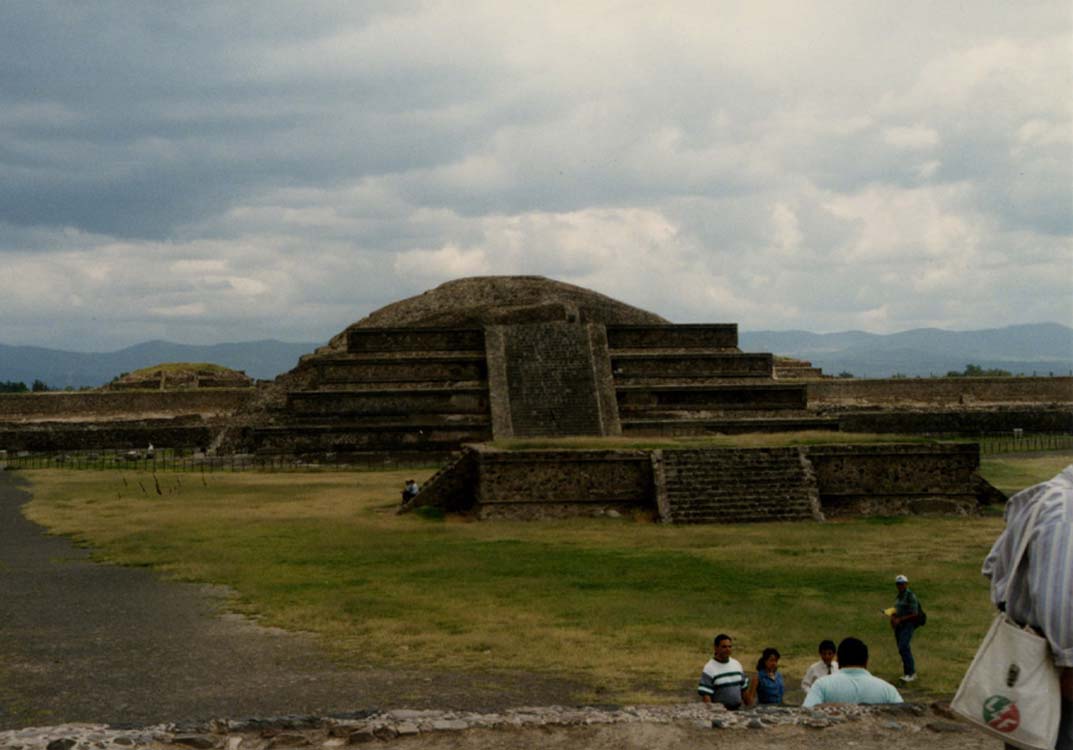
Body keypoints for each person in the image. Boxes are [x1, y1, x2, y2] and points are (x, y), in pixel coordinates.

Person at [982, 465, 1073, 750]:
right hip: (1056, 672)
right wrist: (1069, 662)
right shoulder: (1066, 510)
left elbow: (993, 566)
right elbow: (1056, 598)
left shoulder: (1047, 497)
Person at [802, 637, 903, 707]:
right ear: (866, 661)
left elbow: (805, 715)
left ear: (838, 660)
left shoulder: (821, 685)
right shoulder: (888, 690)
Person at [697, 634, 753, 709]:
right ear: (716, 648)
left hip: (737, 711)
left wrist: (751, 708)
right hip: (720, 713)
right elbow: (706, 696)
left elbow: (744, 690)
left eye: (730, 646)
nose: (728, 649)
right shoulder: (709, 668)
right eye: (724, 647)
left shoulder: (737, 664)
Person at [890, 574, 921, 682]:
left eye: (902, 584)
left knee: (904, 646)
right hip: (899, 625)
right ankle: (907, 673)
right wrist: (893, 618)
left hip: (908, 624)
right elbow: (896, 609)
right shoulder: (899, 596)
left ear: (906, 584)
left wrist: (901, 619)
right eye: (898, 584)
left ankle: (911, 673)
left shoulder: (910, 595)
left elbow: (915, 613)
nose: (900, 586)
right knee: (901, 648)